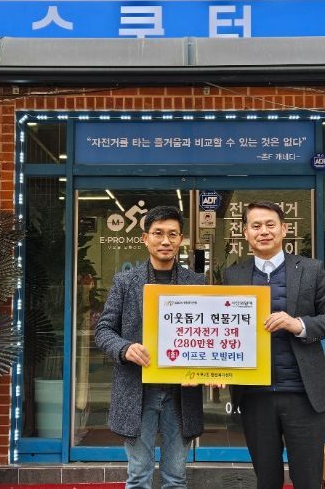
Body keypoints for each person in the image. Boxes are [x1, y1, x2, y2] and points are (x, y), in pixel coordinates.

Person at [223, 201, 325, 489]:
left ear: (284, 229)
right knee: (266, 479)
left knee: (308, 480)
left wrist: (298, 324)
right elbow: (224, 328)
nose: (263, 231)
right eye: (256, 226)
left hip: (303, 394)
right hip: (255, 396)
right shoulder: (233, 275)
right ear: (245, 233)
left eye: (270, 224)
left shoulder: (311, 269)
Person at [95, 206, 204, 489]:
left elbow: (207, 335)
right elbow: (103, 330)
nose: (165, 241)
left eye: (172, 234)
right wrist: (125, 348)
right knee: (138, 475)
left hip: (181, 393)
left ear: (181, 239)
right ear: (145, 238)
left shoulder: (197, 283)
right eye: (158, 233)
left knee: (176, 477)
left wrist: (210, 368)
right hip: (138, 390)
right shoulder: (125, 281)